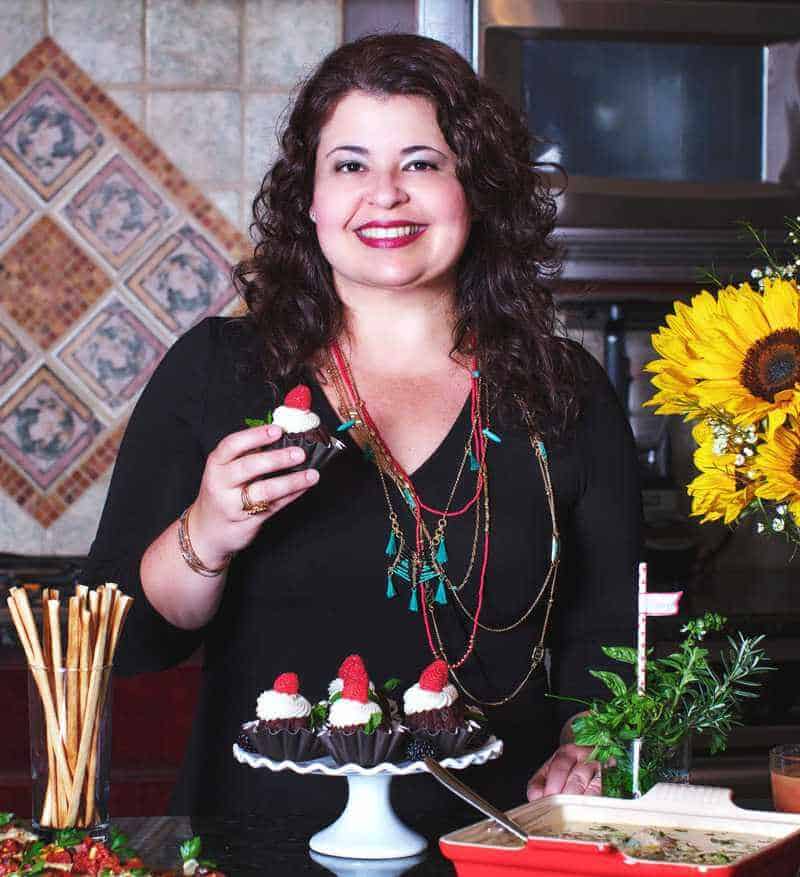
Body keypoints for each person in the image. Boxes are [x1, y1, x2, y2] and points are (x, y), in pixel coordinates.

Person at [83, 33, 641, 819]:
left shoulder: (563, 390)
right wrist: (207, 530)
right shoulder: (220, 371)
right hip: (260, 847)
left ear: (474, 189)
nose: (385, 194)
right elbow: (127, 642)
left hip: (495, 841)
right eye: (350, 165)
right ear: (309, 197)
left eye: (421, 163)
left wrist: (592, 741)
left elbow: (609, 634)